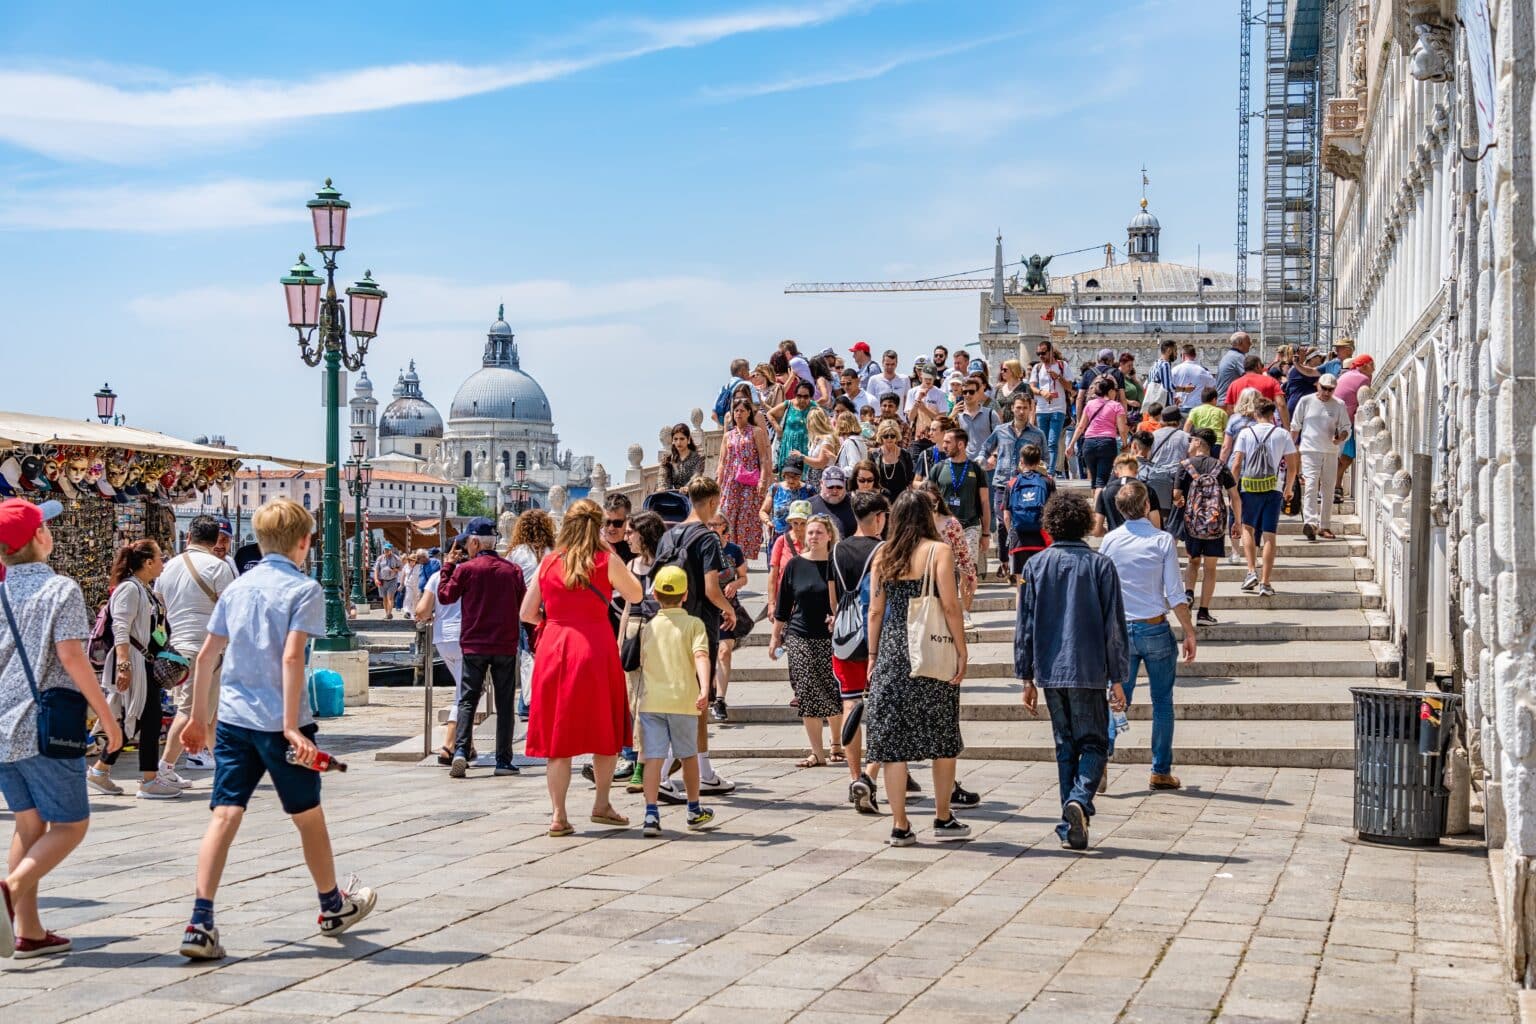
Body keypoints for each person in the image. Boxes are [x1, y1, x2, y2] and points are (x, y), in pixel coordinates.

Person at [179, 498, 376, 960]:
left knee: (224, 814)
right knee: (307, 815)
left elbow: (207, 657)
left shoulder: (238, 587)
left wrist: (194, 717)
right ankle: (332, 905)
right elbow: (292, 658)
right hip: (279, 721)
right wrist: (292, 727)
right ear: (305, 543)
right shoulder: (303, 589)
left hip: (232, 719)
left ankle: (200, 921)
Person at [0, 499, 124, 960]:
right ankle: (9, 891)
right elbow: (72, 657)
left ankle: (28, 930)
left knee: (29, 823)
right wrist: (108, 719)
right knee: (71, 824)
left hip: (1, 724)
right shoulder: (60, 589)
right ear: (39, 538)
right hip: (42, 724)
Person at [521, 500, 643, 836]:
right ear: (597, 527)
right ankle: (601, 804)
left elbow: (526, 613)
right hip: (594, 647)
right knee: (604, 730)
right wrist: (610, 551)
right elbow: (636, 593)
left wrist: (553, 621)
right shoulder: (604, 561)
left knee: (558, 738)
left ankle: (559, 815)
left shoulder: (548, 562)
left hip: (554, 648)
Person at [1014, 491, 1128, 850]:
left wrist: (1026, 676)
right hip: (1089, 667)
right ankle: (1079, 799)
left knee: (1065, 745)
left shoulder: (1035, 566)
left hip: (1050, 668)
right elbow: (1114, 626)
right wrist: (1119, 677)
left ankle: (1071, 820)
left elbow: (1025, 625)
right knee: (1094, 742)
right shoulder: (1100, 565)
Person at [864, 491, 971, 847]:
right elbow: (951, 605)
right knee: (942, 736)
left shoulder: (883, 553)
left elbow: (875, 611)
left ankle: (900, 825)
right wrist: (961, 648)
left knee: (893, 744)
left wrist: (872, 655)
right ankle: (942, 817)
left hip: (894, 652)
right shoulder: (938, 551)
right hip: (929, 652)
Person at [1099, 481, 1197, 792]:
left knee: (1117, 700)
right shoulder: (1162, 540)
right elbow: (1174, 592)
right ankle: (1160, 770)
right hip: (1154, 626)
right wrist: (1189, 631)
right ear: (1146, 506)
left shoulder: (1110, 542)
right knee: (1163, 701)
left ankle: (1101, 757)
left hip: (1120, 630)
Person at [652, 477, 738, 801]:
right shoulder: (707, 538)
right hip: (699, 626)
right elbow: (712, 589)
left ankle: (705, 772)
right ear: (714, 500)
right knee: (697, 700)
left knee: (687, 701)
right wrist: (729, 610)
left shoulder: (668, 536)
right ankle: (663, 775)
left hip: (668, 625)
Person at [90, 540, 181, 800]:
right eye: (160, 557)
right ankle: (149, 780)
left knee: (140, 719)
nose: (163, 562)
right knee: (145, 719)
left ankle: (101, 770)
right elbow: (121, 628)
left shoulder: (145, 589)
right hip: (134, 664)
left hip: (144, 664)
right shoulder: (130, 589)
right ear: (148, 562)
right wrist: (124, 666)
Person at [438, 517, 528, 778]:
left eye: (468, 541)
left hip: (474, 644)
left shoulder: (467, 570)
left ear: (475, 542)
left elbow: (445, 595)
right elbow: (523, 604)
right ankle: (503, 760)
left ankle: (461, 752)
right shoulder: (512, 571)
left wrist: (448, 566)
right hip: (504, 644)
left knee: (467, 700)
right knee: (504, 704)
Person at [634, 566, 717, 837]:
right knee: (688, 756)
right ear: (685, 595)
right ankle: (693, 809)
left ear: (655, 594)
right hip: (684, 700)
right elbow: (701, 656)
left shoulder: (649, 627)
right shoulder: (694, 624)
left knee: (653, 759)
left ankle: (650, 814)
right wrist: (705, 688)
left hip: (652, 702)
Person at [158, 515, 237, 778]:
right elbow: (231, 612)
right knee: (190, 711)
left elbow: (159, 604)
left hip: (176, 649)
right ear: (216, 540)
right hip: (207, 648)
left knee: (210, 713)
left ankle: (226, 769)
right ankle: (164, 770)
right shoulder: (218, 567)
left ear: (188, 537)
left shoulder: (168, 567)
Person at [770, 514, 843, 768]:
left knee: (833, 691)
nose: (813, 537)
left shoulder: (837, 564)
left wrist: (837, 617)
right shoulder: (795, 565)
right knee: (807, 692)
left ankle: (836, 743)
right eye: (810, 532)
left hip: (831, 637)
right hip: (799, 635)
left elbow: (847, 600)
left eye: (818, 532)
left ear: (829, 535)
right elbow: (784, 605)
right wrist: (775, 637)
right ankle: (817, 752)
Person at [833, 492, 887, 813]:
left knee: (850, 703)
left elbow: (834, 597)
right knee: (883, 710)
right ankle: (868, 776)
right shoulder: (882, 550)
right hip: (872, 640)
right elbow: (877, 608)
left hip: (843, 635)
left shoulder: (837, 549)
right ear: (878, 517)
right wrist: (874, 653)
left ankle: (853, 776)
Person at [1231, 398, 1300, 597]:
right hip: (1274, 486)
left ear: (1255, 414)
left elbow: (1236, 464)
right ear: (1272, 415)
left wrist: (1233, 490)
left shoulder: (1245, 433)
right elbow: (1292, 466)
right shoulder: (1282, 434)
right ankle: (1265, 582)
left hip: (1249, 487)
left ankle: (1251, 570)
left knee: (1248, 528)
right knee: (1270, 534)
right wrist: (1288, 488)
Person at [1174, 428, 1241, 624]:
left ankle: (1188, 592)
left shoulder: (1185, 465)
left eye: (1191, 440)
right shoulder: (1221, 466)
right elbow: (1234, 497)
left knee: (1192, 561)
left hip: (1192, 523)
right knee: (1210, 568)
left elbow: (1177, 495)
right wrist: (1237, 521)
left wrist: (1180, 502)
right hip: (1215, 525)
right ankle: (1203, 612)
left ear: (1197, 442)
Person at [926, 427, 989, 616]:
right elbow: (928, 498)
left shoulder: (976, 469)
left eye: (948, 442)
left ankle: (966, 612)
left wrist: (986, 533)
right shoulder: (938, 468)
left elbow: (985, 502)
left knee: (968, 570)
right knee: (942, 571)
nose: (944, 445)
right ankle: (945, 610)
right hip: (942, 527)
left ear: (960, 444)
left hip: (970, 525)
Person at [981, 392, 1046, 570]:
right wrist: (984, 461)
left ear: (1030, 409)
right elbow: (985, 448)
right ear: (1012, 408)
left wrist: (1042, 471)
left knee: (1023, 521)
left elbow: (1046, 458)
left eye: (1025, 408)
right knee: (1003, 523)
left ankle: (1021, 559)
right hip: (1002, 482)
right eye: (1018, 407)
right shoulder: (1000, 430)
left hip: (1025, 484)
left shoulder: (1037, 434)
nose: (1021, 411)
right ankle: (1004, 562)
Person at [415, 545, 468, 763]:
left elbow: (421, 611)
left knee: (462, 689)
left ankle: (467, 744)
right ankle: (449, 744)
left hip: (442, 638)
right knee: (464, 693)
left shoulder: (436, 577)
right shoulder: (469, 575)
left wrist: (431, 616)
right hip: (465, 636)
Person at [1292, 373, 1352, 541]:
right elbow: (1295, 425)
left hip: (1331, 451)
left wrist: (1341, 437)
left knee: (1328, 489)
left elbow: (1346, 426)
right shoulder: (1306, 401)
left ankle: (1324, 525)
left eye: (1330, 390)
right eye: (1324, 388)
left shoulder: (1339, 404)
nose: (1326, 392)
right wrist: (1289, 449)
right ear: (1317, 385)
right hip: (1310, 450)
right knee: (1311, 485)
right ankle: (1311, 523)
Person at [716, 399, 772, 562]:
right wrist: (718, 485)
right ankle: (728, 554)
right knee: (728, 515)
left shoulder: (756, 432)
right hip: (730, 481)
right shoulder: (728, 435)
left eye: (742, 410)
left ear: (748, 413)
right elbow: (722, 461)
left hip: (750, 482)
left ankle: (742, 557)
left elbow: (763, 458)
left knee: (746, 518)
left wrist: (763, 480)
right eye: (736, 411)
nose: (738, 414)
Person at [708, 514, 749, 723]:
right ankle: (711, 689)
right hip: (707, 609)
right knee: (709, 653)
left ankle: (720, 700)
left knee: (724, 651)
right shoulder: (703, 549)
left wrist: (735, 584)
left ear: (725, 526)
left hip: (729, 609)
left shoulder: (734, 551)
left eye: (716, 524)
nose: (713, 527)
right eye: (710, 524)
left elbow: (744, 576)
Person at [1065, 377, 1130, 494]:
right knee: (1102, 481)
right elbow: (1122, 429)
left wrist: (1071, 445)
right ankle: (1098, 510)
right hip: (1107, 443)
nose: (1115, 393)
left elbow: (1080, 427)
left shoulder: (1090, 404)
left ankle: (1095, 507)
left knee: (1094, 480)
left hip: (1088, 444)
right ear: (1110, 391)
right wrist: (1125, 444)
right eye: (1114, 390)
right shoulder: (1116, 406)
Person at [1003, 444, 1056, 583]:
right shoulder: (1048, 482)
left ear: (1021, 460)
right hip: (1041, 540)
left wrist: (1011, 534)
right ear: (1039, 462)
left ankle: (1022, 604)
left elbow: (1006, 516)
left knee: (1022, 584)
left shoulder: (1012, 483)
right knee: (1041, 582)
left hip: (1019, 541)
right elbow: (1053, 513)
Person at [760, 456, 813, 567]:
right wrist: (768, 522)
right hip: (778, 537)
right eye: (788, 476)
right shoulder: (775, 488)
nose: (791, 480)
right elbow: (763, 511)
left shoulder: (809, 490)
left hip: (802, 538)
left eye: (796, 476)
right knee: (777, 570)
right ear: (783, 475)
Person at [1333, 354, 1373, 502]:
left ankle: (1336, 487)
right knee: (1346, 458)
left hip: (1339, 420)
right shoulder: (1363, 379)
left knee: (1342, 458)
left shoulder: (1349, 374)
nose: (1374, 369)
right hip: (1344, 423)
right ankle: (1334, 487)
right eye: (1371, 365)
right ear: (1363, 366)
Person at [1029, 342, 1073, 474]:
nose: (1041, 356)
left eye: (1043, 353)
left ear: (1051, 352)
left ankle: (1050, 471)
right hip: (1042, 409)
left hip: (1058, 409)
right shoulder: (1037, 368)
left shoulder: (1062, 365)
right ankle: (1043, 468)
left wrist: (1058, 377)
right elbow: (1032, 386)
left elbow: (1069, 387)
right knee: (1043, 441)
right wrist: (1042, 392)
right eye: (1038, 353)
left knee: (1053, 441)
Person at [1096, 453, 1163, 534]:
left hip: (1117, 541)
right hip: (1142, 541)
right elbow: (1156, 526)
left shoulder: (1105, 491)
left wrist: (1109, 533)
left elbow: (1097, 530)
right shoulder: (1147, 490)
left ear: (1115, 471)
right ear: (1137, 471)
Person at [1223, 353, 1289, 428]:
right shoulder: (1271, 381)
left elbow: (1230, 409)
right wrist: (1287, 428)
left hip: (1241, 427)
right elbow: (1281, 405)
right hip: (1265, 426)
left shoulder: (1234, 384)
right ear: (1257, 366)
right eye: (1262, 366)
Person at [770, 380, 814, 472]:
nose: (802, 399)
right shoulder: (788, 404)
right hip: (788, 446)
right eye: (799, 396)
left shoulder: (814, 407)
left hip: (805, 447)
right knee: (787, 474)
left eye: (806, 397)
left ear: (811, 396)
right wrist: (777, 428)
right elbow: (770, 413)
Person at [954, 376, 1000, 461]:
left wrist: (994, 457)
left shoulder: (991, 414)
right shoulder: (958, 416)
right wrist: (952, 415)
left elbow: (1000, 439)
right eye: (965, 392)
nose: (968, 395)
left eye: (971, 392)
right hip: (966, 463)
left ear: (978, 393)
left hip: (987, 464)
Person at [808, 465, 857, 538]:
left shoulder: (855, 505)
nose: (835, 491)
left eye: (839, 487)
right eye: (830, 486)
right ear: (821, 483)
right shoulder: (809, 505)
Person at [872, 422, 915, 503]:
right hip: (881, 500)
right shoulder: (874, 455)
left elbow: (910, 480)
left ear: (897, 436)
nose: (889, 438)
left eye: (892, 436)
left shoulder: (905, 454)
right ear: (881, 437)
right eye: (886, 436)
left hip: (902, 500)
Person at [1170, 344, 1216, 413]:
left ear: (1183, 355)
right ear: (1195, 356)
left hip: (1180, 407)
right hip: (1198, 408)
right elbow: (1213, 385)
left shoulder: (1175, 370)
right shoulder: (1202, 371)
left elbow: (1169, 388)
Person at [1185, 386, 1229, 457]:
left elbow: (1187, 426)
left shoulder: (1195, 410)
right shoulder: (1221, 412)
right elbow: (1225, 430)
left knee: (1200, 464)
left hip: (1201, 442)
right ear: (1214, 399)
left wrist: (1187, 441)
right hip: (1217, 442)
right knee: (1214, 465)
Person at [661, 423, 704, 491]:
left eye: (682, 439)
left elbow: (696, 476)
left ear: (688, 439)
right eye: (675, 439)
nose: (678, 442)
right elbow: (663, 476)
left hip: (693, 495)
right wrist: (662, 487)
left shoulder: (698, 458)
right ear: (672, 441)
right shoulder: (668, 459)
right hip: (676, 496)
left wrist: (686, 487)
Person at [1213, 330, 1253, 401]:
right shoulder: (1238, 357)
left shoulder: (1229, 355)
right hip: (1230, 401)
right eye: (1248, 342)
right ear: (1240, 343)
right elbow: (1250, 377)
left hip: (1222, 399)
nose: (1250, 344)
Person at [372, 543, 402, 620]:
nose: (386, 551)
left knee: (390, 597)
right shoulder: (380, 558)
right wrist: (376, 579)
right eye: (385, 549)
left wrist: (395, 569)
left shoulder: (396, 558)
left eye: (388, 549)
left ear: (391, 550)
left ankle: (389, 613)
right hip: (382, 581)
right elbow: (376, 569)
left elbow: (401, 568)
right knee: (384, 598)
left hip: (392, 580)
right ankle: (387, 613)